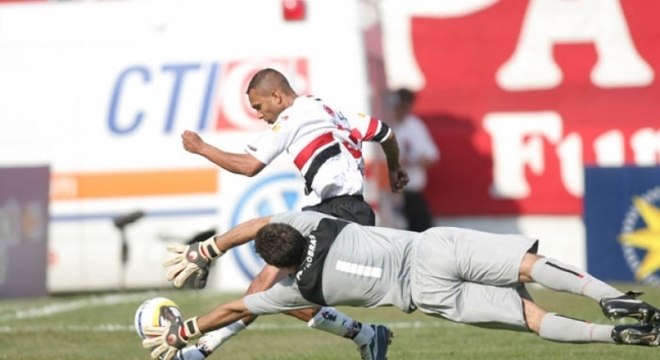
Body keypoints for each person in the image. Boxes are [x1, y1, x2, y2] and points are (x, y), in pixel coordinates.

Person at [144, 211, 660, 360]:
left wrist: (181, 333)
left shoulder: (296, 293)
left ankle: (615, 339)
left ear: (276, 263)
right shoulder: (317, 224)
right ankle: (607, 296)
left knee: (532, 319)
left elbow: (234, 309)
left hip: (427, 296)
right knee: (527, 264)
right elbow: (258, 224)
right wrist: (207, 248)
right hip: (430, 249)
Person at [174, 68, 409, 359]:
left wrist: (202, 148)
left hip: (336, 214)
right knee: (268, 290)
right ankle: (367, 336)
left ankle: (198, 344)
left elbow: (249, 166)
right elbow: (386, 133)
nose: (259, 115)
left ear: (277, 95)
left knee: (267, 281)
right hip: (342, 211)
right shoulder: (336, 112)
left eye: (259, 106)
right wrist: (395, 167)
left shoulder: (292, 117)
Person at [387, 88, 439, 231]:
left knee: (423, 232)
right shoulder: (384, 125)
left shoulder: (414, 126)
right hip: (389, 193)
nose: (401, 111)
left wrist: (410, 162)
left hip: (411, 193)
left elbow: (431, 157)